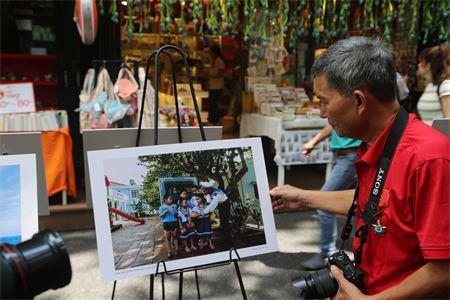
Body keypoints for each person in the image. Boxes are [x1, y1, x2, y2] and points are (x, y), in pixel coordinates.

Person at [270, 37, 450, 299]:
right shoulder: (380, 141)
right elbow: (382, 205)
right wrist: (304, 199)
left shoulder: (428, 159)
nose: (321, 113)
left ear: (359, 101)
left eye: (324, 101)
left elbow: (445, 269)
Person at [300, 124, 360, 270]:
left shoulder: (349, 102)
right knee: (357, 206)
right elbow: (333, 123)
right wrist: (313, 142)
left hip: (350, 158)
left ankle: (327, 253)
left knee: (323, 204)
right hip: (345, 157)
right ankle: (361, 253)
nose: (322, 113)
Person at [417, 43, 450, 125]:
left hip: (439, 137)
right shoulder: (430, 85)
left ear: (428, 65)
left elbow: (448, 121)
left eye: (421, 62)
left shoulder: (445, 85)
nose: (418, 65)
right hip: (428, 136)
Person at [200, 180, 231, 250]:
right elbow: (212, 201)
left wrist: (203, 213)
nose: (203, 192)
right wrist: (209, 203)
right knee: (223, 224)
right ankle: (224, 241)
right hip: (221, 205)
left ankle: (227, 243)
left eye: (204, 191)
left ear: (208, 189)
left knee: (225, 224)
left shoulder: (216, 194)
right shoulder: (212, 192)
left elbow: (212, 205)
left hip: (225, 205)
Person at [206, 45, 226, 125]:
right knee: (211, 104)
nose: (211, 55)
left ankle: (221, 116)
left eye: (212, 53)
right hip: (212, 86)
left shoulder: (220, 62)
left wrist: (210, 76)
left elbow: (221, 74)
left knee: (212, 103)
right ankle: (213, 120)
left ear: (216, 53)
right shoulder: (212, 61)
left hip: (218, 86)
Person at [158, 194, 179, 258]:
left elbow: (177, 214)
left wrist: (175, 213)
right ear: (165, 199)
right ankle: (169, 252)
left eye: (171, 199)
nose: (171, 200)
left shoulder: (174, 206)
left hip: (173, 223)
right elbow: (160, 216)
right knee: (168, 238)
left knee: (175, 237)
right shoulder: (162, 207)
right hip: (166, 224)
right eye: (170, 199)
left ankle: (177, 250)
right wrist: (165, 212)